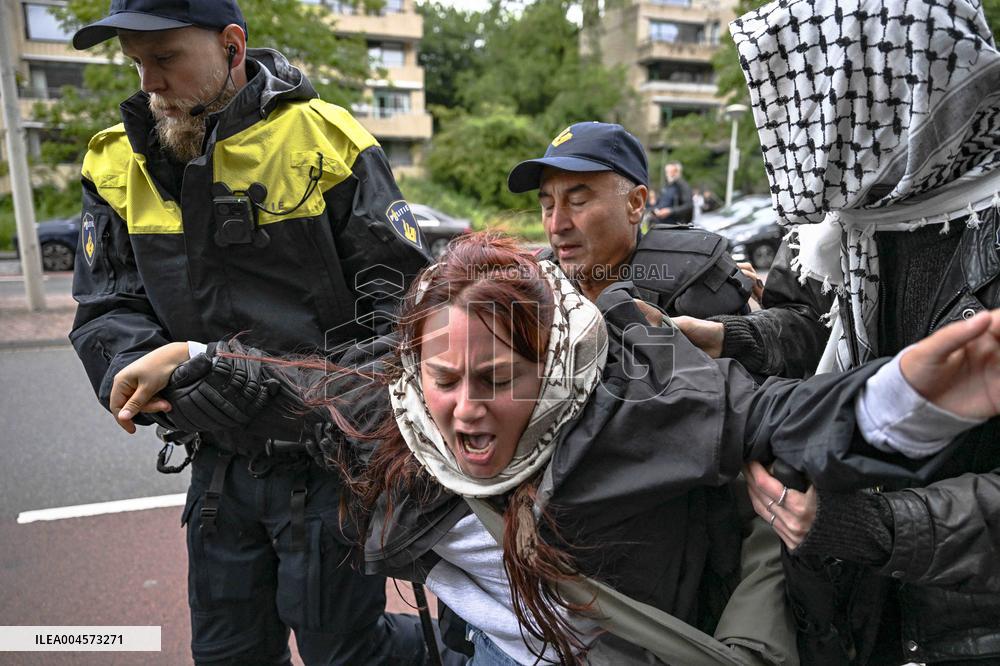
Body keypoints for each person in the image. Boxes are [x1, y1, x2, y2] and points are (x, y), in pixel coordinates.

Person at [111, 232, 1000, 665]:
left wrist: (907, 402)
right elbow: (305, 394)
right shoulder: (405, 412)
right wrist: (195, 365)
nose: (461, 412)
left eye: (496, 379)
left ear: (555, 370)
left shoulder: (635, 405)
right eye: (443, 378)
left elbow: (780, 415)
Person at [67, 1, 438, 663]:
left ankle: (462, 646)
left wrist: (239, 375)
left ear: (232, 46)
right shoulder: (114, 163)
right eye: (137, 62)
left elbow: (402, 319)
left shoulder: (327, 141)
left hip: (329, 466)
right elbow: (105, 308)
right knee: (227, 655)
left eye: (166, 57)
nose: (148, 82)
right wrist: (136, 369)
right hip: (216, 475)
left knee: (346, 654)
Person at [712, 0, 1000, 662]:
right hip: (853, 610)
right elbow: (806, 328)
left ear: (884, 89)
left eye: (809, 97)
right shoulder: (844, 221)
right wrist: (728, 337)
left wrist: (874, 527)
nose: (790, 127)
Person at [508, 122, 753, 320]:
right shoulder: (539, 283)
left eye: (578, 201)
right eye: (547, 206)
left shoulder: (695, 289)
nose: (556, 225)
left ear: (635, 203)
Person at [652, 162, 694, 226]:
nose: (669, 174)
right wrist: (655, 210)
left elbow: (688, 206)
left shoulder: (683, 186)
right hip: (661, 223)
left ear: (678, 172)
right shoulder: (666, 186)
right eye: (667, 171)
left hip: (675, 226)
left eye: (672, 171)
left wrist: (670, 211)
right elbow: (659, 203)